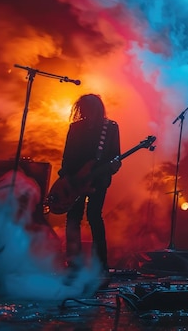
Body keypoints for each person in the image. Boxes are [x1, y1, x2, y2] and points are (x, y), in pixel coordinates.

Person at [59, 94, 121, 271]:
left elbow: (115, 155)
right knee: (73, 218)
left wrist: (112, 167)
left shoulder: (110, 128)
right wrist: (65, 178)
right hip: (73, 180)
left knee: (94, 216)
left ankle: (100, 265)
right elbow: (67, 156)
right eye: (82, 110)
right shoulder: (75, 127)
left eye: (87, 109)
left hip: (98, 180)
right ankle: (74, 263)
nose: (85, 113)